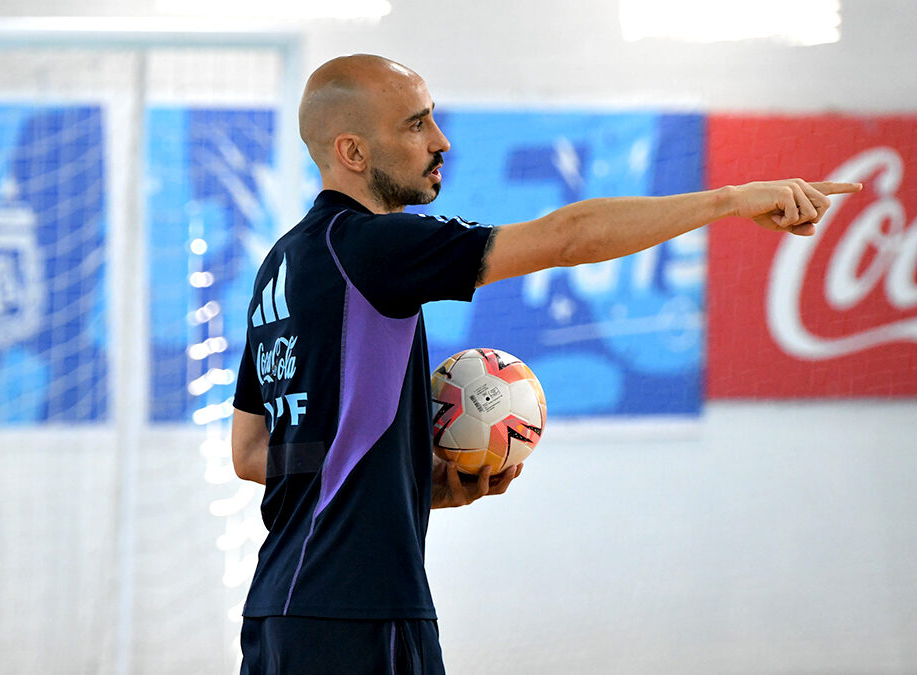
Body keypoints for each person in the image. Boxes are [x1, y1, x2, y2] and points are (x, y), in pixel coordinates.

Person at [230, 53, 861, 674]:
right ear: (353, 152)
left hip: (278, 612)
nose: (441, 141)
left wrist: (413, 486)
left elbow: (253, 452)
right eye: (416, 124)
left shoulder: (281, 265)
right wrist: (733, 201)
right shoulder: (370, 247)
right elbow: (570, 236)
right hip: (360, 612)